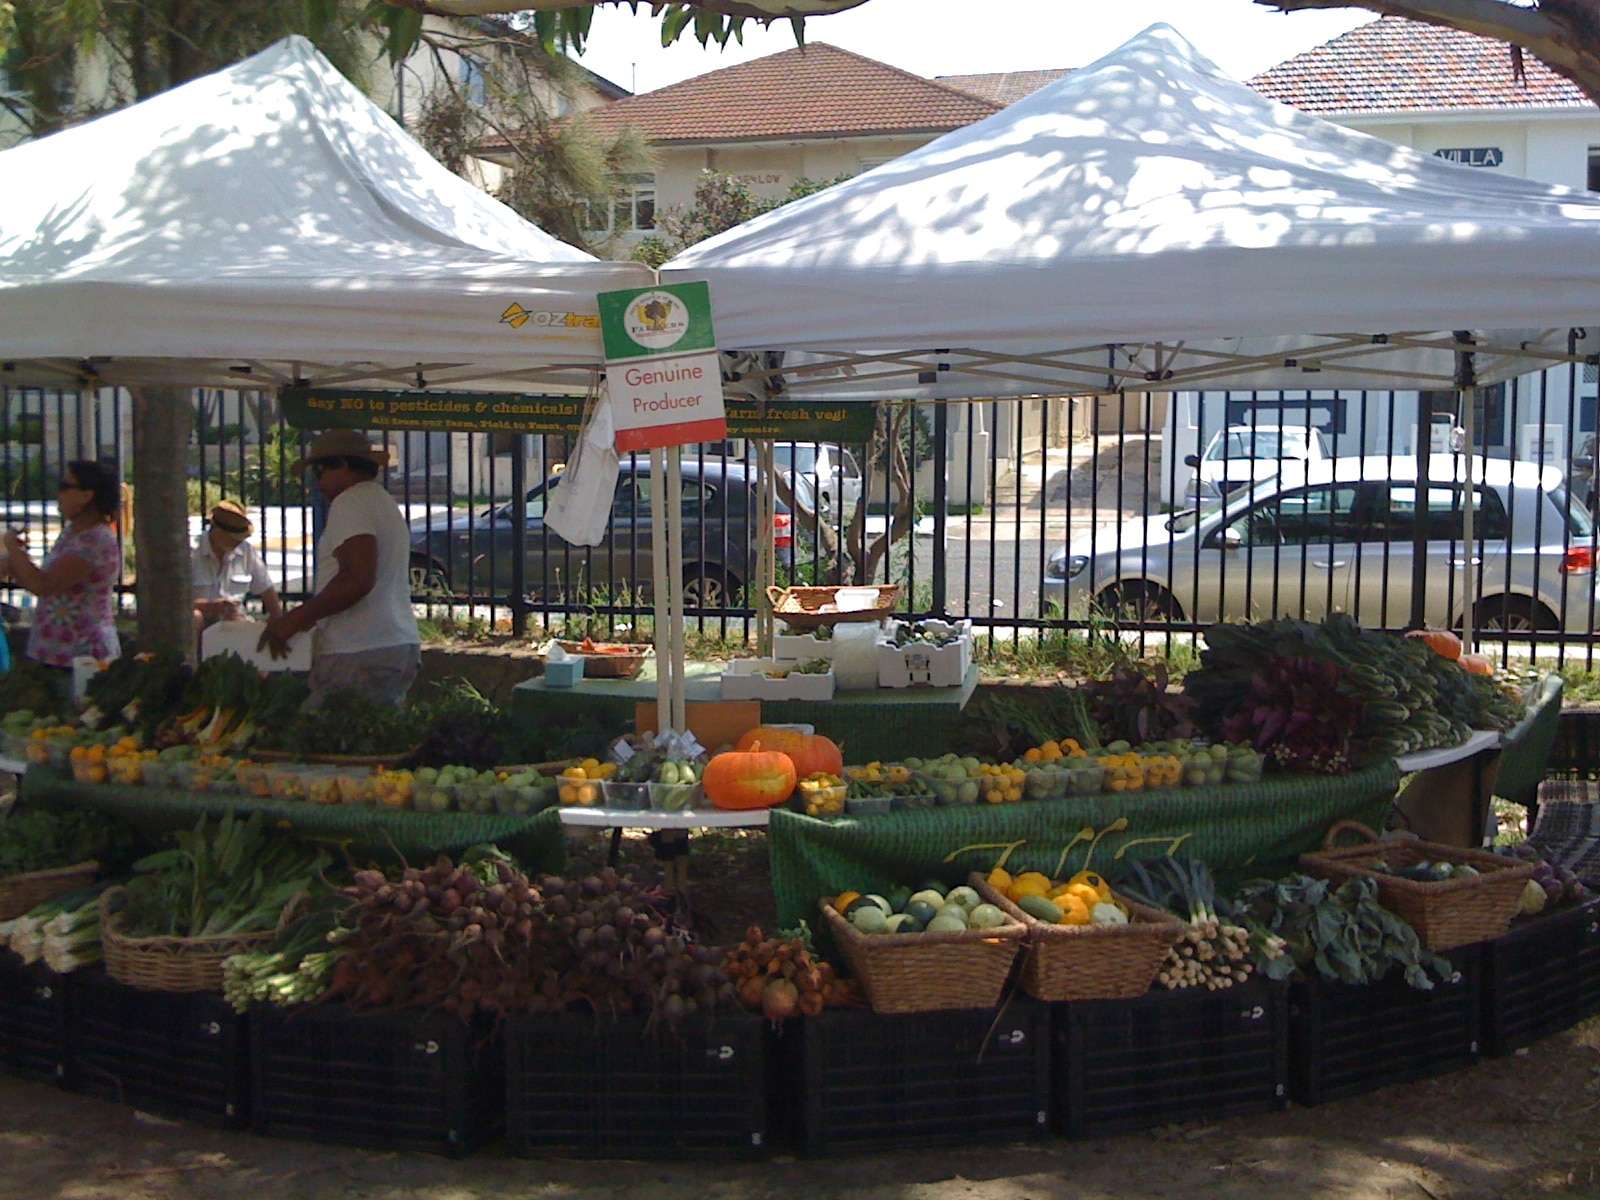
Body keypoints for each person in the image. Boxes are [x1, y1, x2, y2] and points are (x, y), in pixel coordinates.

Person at [259, 430, 418, 707]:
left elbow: (357, 579)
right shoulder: (381, 500)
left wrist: (294, 619)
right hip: (395, 643)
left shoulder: (350, 502)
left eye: (319, 471)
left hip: (358, 651)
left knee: (326, 741)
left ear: (343, 465)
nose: (317, 482)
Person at [3, 460, 122, 676]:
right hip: (54, 651)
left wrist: (11, 546)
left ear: (87, 495)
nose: (59, 493)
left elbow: (43, 584)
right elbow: (41, 579)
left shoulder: (95, 541)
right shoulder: (72, 532)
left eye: (65, 487)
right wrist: (16, 563)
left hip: (81, 654)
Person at [192, 500, 282, 632]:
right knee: (195, 618)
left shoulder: (246, 551)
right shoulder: (190, 552)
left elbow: (267, 591)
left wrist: (277, 620)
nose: (236, 543)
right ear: (216, 530)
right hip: (198, 625)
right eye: (231, 537)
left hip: (234, 623)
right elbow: (173, 603)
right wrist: (210, 607)